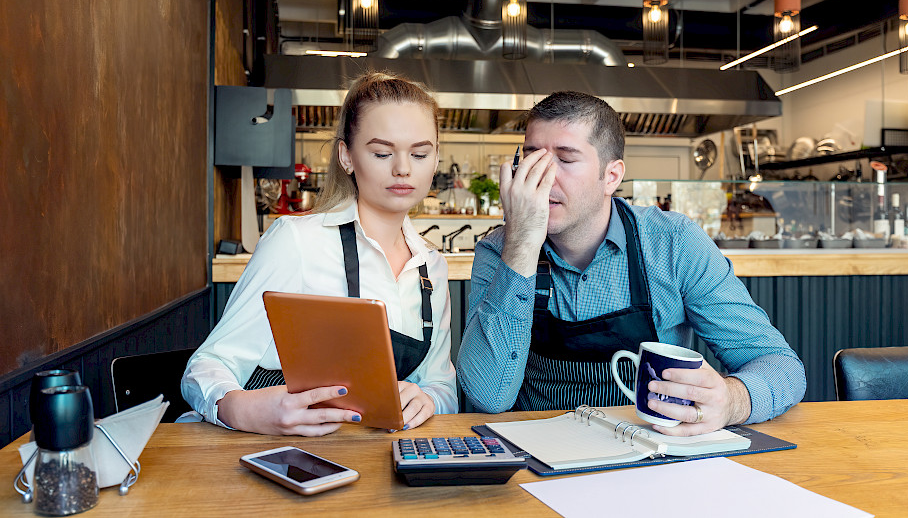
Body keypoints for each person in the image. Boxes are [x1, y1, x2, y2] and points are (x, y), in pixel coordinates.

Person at [456, 91, 805, 436]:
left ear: (611, 177)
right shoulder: (499, 249)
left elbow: (780, 365)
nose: (543, 177)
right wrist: (521, 244)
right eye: (533, 158)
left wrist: (731, 400)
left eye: (566, 158)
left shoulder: (673, 243)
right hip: (537, 458)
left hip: (650, 454)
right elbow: (489, 396)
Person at [182, 72, 457, 436]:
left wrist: (428, 398)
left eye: (420, 153)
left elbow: (442, 386)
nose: (403, 168)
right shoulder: (296, 241)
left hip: (374, 459)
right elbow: (207, 366)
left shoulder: (430, 266)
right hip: (278, 452)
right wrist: (246, 410)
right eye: (382, 153)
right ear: (346, 156)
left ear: (436, 159)